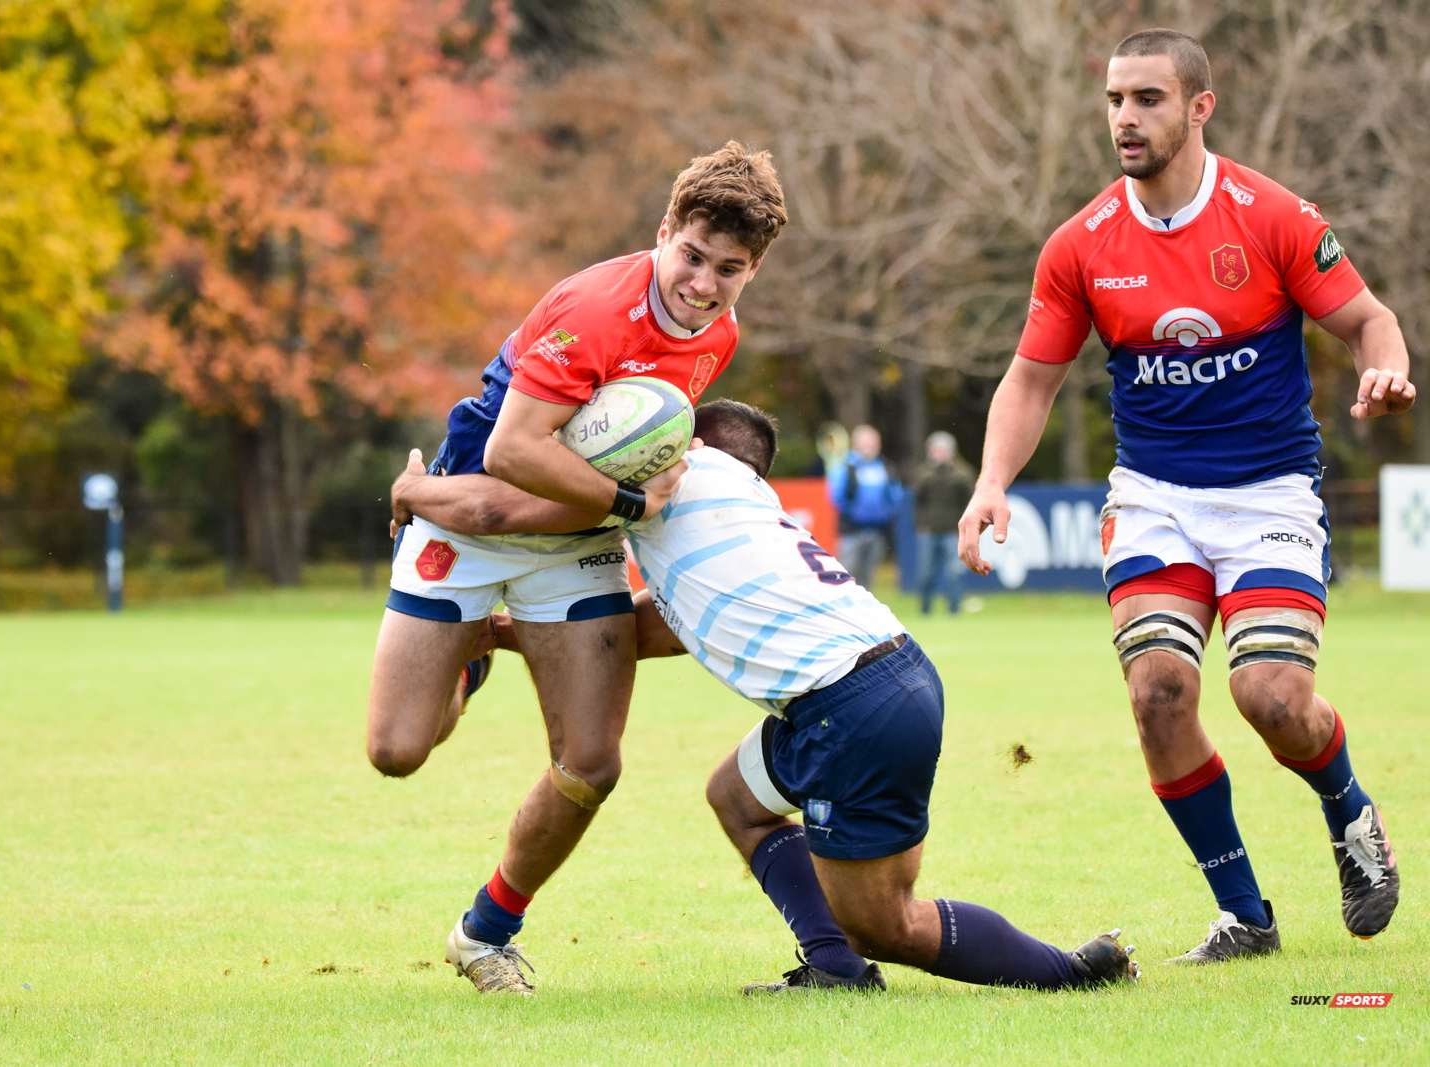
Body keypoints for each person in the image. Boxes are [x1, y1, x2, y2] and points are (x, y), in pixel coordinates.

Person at [393, 400, 1139, 993]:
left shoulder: (668, 488)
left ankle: (1072, 970)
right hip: (881, 680)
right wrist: (502, 633)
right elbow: (655, 627)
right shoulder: (739, 506)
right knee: (736, 795)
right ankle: (834, 969)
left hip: (851, 710)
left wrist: (418, 491)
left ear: (695, 445)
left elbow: (500, 512)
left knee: (888, 922)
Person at [958, 29, 1408, 963]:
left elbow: (1370, 320)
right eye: (1116, 99)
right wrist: (992, 482)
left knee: (1272, 697)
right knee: (1159, 691)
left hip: (1270, 492)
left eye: (1148, 99)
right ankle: (1246, 914)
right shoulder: (1081, 244)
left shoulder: (1271, 215)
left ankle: (1349, 808)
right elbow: (1032, 379)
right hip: (1155, 494)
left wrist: (1385, 370)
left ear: (1199, 106)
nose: (1125, 116)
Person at [368, 142, 788, 995]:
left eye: (729, 270)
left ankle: (485, 934)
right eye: (692, 256)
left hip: (578, 535)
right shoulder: (596, 309)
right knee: (397, 750)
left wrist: (617, 512)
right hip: (474, 503)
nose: (702, 284)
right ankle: (475, 652)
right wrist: (630, 506)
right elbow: (511, 452)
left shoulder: (722, 333)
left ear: (753, 271)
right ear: (664, 230)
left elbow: (639, 443)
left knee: (593, 763)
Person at [825, 424, 902, 589]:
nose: (870, 447)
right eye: (866, 443)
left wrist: (886, 513)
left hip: (877, 530)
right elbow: (836, 496)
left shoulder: (885, 467)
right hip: (852, 530)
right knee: (847, 574)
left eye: (873, 443)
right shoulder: (846, 466)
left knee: (868, 577)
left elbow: (895, 494)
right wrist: (854, 513)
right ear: (856, 444)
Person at [912, 432, 972, 615]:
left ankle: (954, 609)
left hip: (952, 530)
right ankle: (925, 610)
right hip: (930, 530)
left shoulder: (961, 473)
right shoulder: (923, 472)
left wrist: (962, 528)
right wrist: (921, 524)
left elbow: (968, 501)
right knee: (925, 573)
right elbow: (918, 501)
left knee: (954, 572)